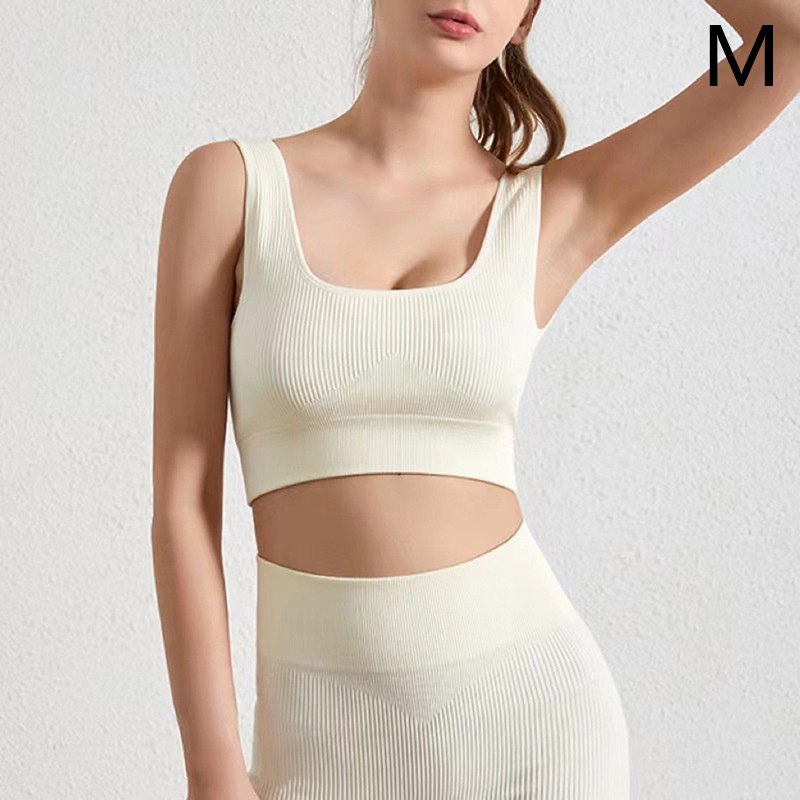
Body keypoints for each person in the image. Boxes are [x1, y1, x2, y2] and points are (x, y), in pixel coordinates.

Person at [151, 1, 800, 798]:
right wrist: (212, 768)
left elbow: (782, 42)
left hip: (531, 732)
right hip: (318, 744)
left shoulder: (554, 210)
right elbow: (183, 500)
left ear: (526, 18)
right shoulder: (232, 187)